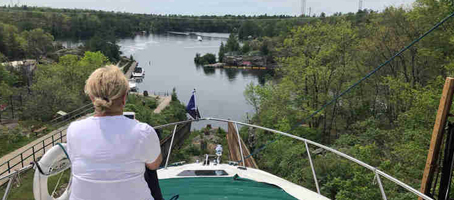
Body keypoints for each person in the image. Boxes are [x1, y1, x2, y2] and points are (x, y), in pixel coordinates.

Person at [67, 65, 162, 200]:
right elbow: (154, 164)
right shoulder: (142, 131)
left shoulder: (74, 130)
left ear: (92, 98)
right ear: (124, 98)